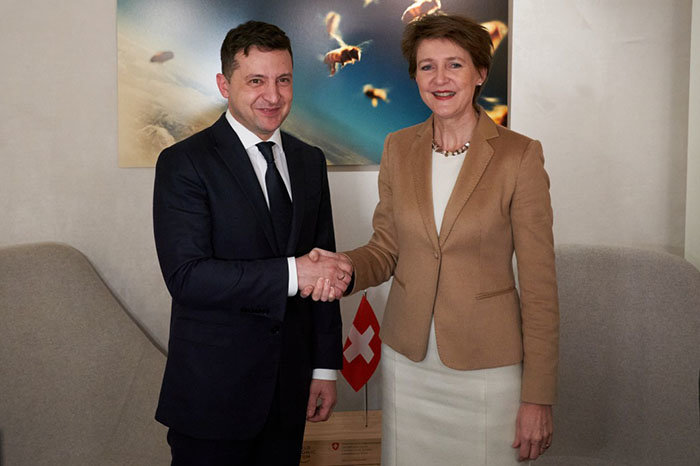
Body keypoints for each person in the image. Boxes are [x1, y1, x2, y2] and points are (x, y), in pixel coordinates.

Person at [309, 13, 559, 465]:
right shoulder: (397, 147)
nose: (440, 79)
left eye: (454, 65)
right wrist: (344, 267)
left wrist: (538, 397)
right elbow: (385, 249)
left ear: (480, 72)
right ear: (415, 76)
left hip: (488, 368)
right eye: (427, 66)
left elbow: (540, 288)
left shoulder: (520, 156)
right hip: (407, 362)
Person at [152, 20, 351, 466]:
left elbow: (322, 264)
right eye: (256, 81)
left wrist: (324, 367)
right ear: (224, 85)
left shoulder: (309, 161)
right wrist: (294, 273)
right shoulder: (183, 163)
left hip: (290, 392)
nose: (273, 96)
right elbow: (187, 277)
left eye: (284, 80)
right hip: (212, 398)